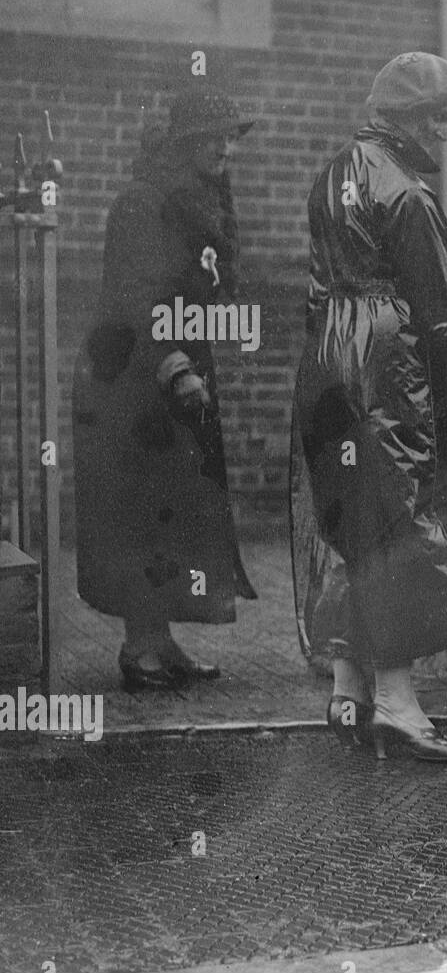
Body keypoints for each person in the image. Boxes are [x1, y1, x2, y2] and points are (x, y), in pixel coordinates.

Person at [292, 51, 447, 762]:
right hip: (389, 377)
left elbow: (318, 290)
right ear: (404, 117)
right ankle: (398, 704)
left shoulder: (332, 175)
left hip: (330, 368)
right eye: (439, 116)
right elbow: (445, 328)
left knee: (353, 525)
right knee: (403, 530)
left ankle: (348, 689)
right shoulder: (407, 196)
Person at [74, 84, 258, 689]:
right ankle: (138, 649)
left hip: (180, 371)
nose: (225, 147)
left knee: (180, 510)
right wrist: (175, 364)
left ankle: (162, 639)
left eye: (230, 135)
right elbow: (131, 298)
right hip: (133, 379)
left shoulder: (203, 204)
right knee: (143, 511)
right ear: (180, 144)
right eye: (211, 136)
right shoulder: (142, 203)